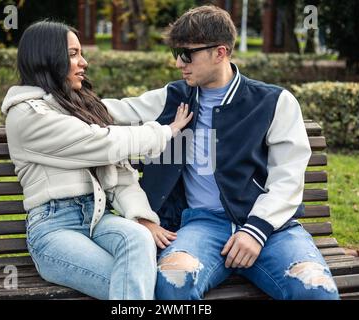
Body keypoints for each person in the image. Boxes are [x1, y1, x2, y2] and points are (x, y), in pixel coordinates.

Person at [101, 5, 340, 300]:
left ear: (220, 52)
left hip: (271, 231)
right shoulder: (172, 98)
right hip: (201, 226)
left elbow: (288, 176)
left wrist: (256, 229)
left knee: (316, 289)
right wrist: (46, 95)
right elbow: (108, 111)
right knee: (172, 283)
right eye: (176, 53)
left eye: (187, 54)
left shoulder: (275, 102)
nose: (179, 63)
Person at [1, 20, 192, 300]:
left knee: (138, 240)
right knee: (135, 285)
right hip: (55, 230)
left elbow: (120, 173)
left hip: (98, 219)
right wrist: (166, 131)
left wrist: (141, 217)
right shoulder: (28, 116)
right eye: (73, 54)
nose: (84, 62)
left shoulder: (77, 107)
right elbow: (103, 142)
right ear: (47, 57)